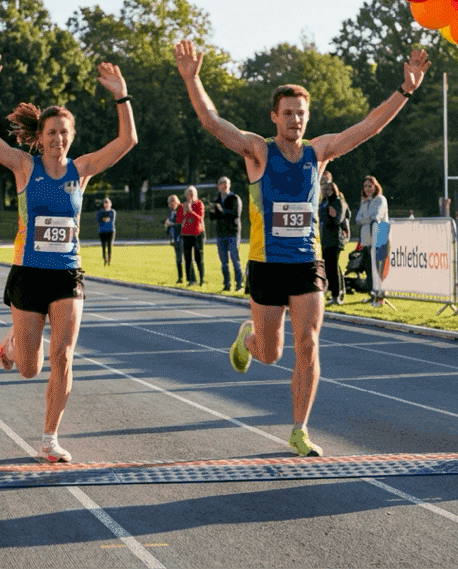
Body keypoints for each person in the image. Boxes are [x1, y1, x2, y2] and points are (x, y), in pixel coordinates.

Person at [176, 38, 429, 456]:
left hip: (307, 264)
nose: (296, 119)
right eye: (288, 112)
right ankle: (248, 339)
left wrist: (404, 91)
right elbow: (212, 122)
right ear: (275, 116)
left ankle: (299, 428)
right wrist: (192, 78)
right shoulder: (258, 151)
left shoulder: (319, 152)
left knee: (308, 343)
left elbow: (368, 127)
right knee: (272, 354)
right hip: (266, 265)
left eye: (301, 113)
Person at [0, 51, 137, 462]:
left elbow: (127, 141)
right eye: (51, 132)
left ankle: (50, 437)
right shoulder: (25, 167)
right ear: (40, 136)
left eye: (64, 132)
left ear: (71, 136)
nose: (57, 139)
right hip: (28, 274)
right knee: (30, 368)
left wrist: (122, 97)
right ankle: (12, 346)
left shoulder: (81, 171)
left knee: (64, 355)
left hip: (67, 274)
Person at [353, 176, 390, 306]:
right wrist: (367, 218)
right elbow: (357, 219)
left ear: (375, 186)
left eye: (370, 186)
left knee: (378, 269)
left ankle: (380, 297)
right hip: (367, 241)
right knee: (369, 269)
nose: (367, 189)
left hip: (379, 237)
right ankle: (372, 295)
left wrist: (366, 219)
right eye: (365, 186)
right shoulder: (365, 202)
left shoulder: (380, 199)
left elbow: (376, 217)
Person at [208, 177, 243, 292]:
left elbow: (236, 214)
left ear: (229, 185)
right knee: (224, 261)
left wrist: (221, 209)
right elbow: (213, 218)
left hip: (232, 232)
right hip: (221, 233)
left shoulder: (234, 198)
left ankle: (239, 284)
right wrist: (212, 211)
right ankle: (227, 284)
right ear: (218, 186)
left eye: (226, 183)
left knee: (234, 258)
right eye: (222, 184)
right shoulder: (217, 199)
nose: (224, 186)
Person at [319, 179, 350, 305]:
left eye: (330, 189)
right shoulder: (325, 202)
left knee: (333, 268)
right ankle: (332, 294)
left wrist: (332, 216)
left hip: (335, 240)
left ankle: (337, 294)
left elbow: (338, 220)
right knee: (327, 268)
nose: (328, 192)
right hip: (325, 240)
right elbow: (320, 216)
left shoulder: (339, 202)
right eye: (326, 189)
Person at [177, 185, 205, 286]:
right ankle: (191, 279)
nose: (190, 195)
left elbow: (200, 218)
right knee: (188, 258)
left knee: (198, 257)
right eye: (188, 193)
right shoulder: (183, 205)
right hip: (186, 234)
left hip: (197, 233)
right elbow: (179, 220)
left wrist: (191, 211)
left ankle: (202, 279)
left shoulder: (199, 204)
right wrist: (184, 211)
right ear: (186, 195)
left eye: (192, 193)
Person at [163, 194, 184, 283]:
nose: (172, 203)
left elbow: (180, 223)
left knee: (185, 258)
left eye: (174, 201)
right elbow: (169, 226)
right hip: (174, 238)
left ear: (178, 201)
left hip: (182, 237)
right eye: (170, 202)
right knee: (178, 259)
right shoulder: (172, 212)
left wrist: (170, 224)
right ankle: (180, 278)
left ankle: (190, 279)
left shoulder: (181, 210)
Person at [96, 197, 116, 266]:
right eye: (105, 203)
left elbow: (111, 220)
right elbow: (99, 220)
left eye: (107, 203)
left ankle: (109, 260)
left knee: (109, 245)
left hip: (110, 231)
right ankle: (105, 259)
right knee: (104, 246)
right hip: (102, 231)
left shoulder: (112, 212)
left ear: (110, 204)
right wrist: (103, 219)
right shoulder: (100, 212)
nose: (106, 204)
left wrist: (105, 219)